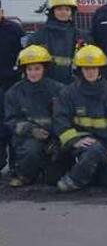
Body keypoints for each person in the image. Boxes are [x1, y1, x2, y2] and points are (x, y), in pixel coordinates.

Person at [54, 45, 107, 192]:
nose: (90, 72)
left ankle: (90, 171)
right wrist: (75, 140)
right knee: (94, 150)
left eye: (94, 68)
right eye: (86, 68)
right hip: (82, 143)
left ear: (100, 69)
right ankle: (72, 181)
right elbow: (60, 120)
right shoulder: (68, 94)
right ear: (80, 70)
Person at [3, 45, 64, 187]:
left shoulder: (59, 90)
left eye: (37, 68)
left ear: (44, 69)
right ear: (24, 70)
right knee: (32, 149)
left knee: (54, 179)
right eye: (29, 69)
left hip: (55, 137)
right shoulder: (14, 93)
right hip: (26, 139)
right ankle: (24, 176)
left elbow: (64, 117)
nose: (33, 73)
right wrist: (31, 130)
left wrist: (55, 138)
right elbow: (11, 121)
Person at [27, 0, 91, 85]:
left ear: (71, 12)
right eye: (59, 9)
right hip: (46, 87)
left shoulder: (82, 37)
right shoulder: (38, 37)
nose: (63, 12)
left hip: (75, 88)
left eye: (67, 9)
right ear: (52, 12)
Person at [0, 0, 24, 173]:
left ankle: (17, 164)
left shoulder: (14, 29)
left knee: (14, 124)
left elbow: (24, 54)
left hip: (12, 84)